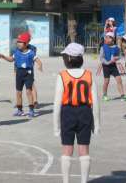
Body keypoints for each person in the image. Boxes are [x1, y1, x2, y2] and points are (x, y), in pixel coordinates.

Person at [53, 43, 100, 183]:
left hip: (67, 113)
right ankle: (84, 181)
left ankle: (66, 181)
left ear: (68, 58)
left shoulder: (62, 75)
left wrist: (56, 126)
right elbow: (96, 102)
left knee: (67, 149)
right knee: (84, 149)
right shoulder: (89, 75)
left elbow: (57, 103)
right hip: (85, 112)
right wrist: (96, 123)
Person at [0, 32, 42, 118]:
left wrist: (40, 66)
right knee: (18, 92)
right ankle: (19, 110)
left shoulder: (31, 53)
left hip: (28, 73)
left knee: (28, 91)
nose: (18, 44)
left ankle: (31, 110)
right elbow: (11, 59)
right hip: (19, 73)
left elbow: (38, 60)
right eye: (18, 42)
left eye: (21, 42)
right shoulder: (17, 52)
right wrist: (4, 57)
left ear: (26, 43)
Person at [99, 32, 126, 102]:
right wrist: (108, 62)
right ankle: (104, 95)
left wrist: (116, 58)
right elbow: (101, 58)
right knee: (106, 81)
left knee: (119, 80)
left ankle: (122, 95)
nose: (106, 39)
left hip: (113, 66)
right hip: (106, 66)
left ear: (112, 39)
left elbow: (119, 56)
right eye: (105, 38)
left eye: (108, 38)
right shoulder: (103, 47)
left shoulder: (116, 48)